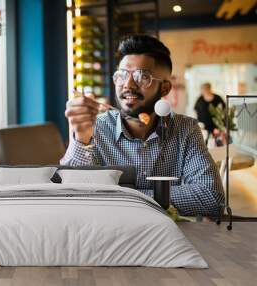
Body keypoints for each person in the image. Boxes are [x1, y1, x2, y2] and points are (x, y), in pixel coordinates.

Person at [60, 35, 224, 217]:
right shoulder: (95, 128)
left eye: (142, 76)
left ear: (164, 88)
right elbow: (70, 195)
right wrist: (82, 138)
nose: (128, 85)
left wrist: (120, 196)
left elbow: (211, 198)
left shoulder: (185, 128)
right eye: (121, 75)